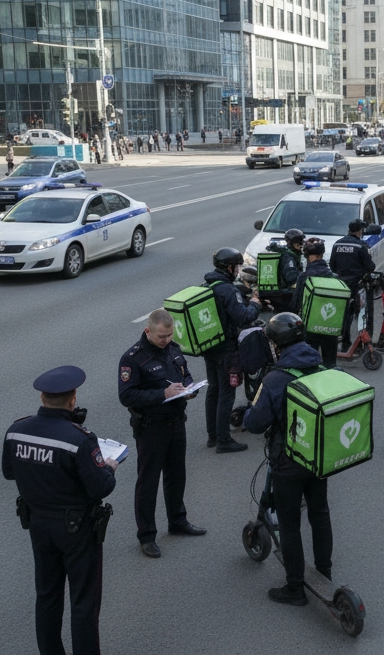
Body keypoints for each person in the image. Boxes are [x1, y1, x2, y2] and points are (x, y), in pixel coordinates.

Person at [3, 365, 116, 655]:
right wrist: (109, 467)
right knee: (83, 603)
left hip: (38, 524)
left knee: (47, 598)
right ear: (73, 400)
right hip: (76, 529)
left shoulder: (16, 430)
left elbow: (9, 472)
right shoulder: (79, 438)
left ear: (42, 398)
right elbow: (100, 487)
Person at [242, 313, 334, 606]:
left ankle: (295, 588)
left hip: (288, 460)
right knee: (320, 514)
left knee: (290, 523)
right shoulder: (320, 365)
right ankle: (324, 572)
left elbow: (255, 423)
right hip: (318, 456)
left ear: (276, 345)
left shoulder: (276, 378)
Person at [119, 309, 207, 558]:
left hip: (176, 422)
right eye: (161, 336)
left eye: (169, 335)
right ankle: (146, 535)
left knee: (177, 475)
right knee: (148, 482)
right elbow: (126, 395)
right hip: (151, 427)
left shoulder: (174, 349)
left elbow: (185, 374)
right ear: (148, 331)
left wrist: (190, 388)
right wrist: (162, 395)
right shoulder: (133, 359)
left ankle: (178, 521)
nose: (166, 340)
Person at [201, 248, 261, 453]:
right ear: (229, 267)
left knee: (213, 390)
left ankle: (213, 436)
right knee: (227, 393)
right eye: (236, 266)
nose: (237, 270)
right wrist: (255, 304)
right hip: (226, 348)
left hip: (210, 346)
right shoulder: (228, 290)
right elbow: (243, 317)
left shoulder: (207, 285)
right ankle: (224, 441)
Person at [293, 237, 342, 367]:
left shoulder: (304, 277)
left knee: (308, 364)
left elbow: (295, 304)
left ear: (307, 255)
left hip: (309, 329)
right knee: (330, 365)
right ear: (322, 254)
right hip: (330, 328)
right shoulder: (334, 277)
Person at [330, 219, 376, 347]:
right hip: (357, 285)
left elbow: (332, 266)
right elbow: (370, 267)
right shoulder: (360, 246)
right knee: (363, 313)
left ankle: (345, 340)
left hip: (341, 285)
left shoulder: (337, 244)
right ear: (359, 231)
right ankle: (363, 341)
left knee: (344, 314)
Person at [264, 229, 305, 313]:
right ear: (294, 244)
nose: (302, 245)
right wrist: (304, 275)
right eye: (300, 243)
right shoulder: (288, 258)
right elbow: (290, 277)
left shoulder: (291, 255)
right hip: (284, 295)